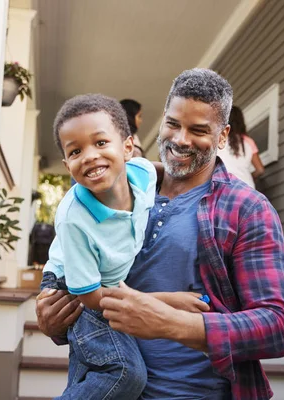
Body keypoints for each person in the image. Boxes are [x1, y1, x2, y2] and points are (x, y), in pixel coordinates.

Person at [37, 69, 284, 399]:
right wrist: (53, 319)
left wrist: (170, 323)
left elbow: (275, 328)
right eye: (173, 124)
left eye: (199, 130)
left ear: (222, 135)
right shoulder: (105, 192)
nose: (181, 139)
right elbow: (78, 286)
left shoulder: (247, 209)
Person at [41, 93, 210, 399]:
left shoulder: (143, 172)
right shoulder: (75, 220)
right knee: (124, 373)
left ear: (128, 147)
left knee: (89, 377)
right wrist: (168, 301)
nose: (90, 156)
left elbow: (166, 174)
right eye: (76, 151)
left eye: (101, 143)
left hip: (104, 283)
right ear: (67, 165)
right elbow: (89, 297)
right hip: (77, 286)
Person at [217, 105, 265, 188]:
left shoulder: (218, 138)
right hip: (247, 188)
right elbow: (260, 170)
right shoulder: (248, 141)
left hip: (224, 188)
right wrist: (249, 176)